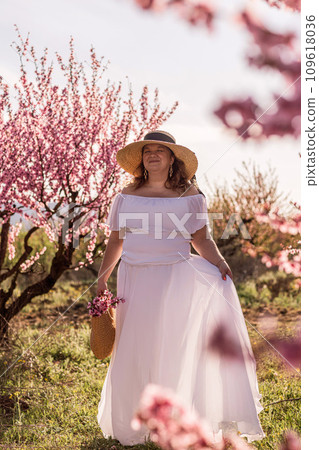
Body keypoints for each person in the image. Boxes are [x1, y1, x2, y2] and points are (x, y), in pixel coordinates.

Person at [96, 130, 266, 445]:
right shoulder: (125, 197)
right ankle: (135, 423)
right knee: (133, 347)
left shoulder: (190, 196)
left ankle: (172, 423)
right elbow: (116, 241)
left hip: (173, 278)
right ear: (142, 159)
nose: (154, 154)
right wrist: (102, 278)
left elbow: (201, 238)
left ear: (173, 158)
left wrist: (218, 262)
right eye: (148, 150)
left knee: (167, 346)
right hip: (132, 279)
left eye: (161, 150)